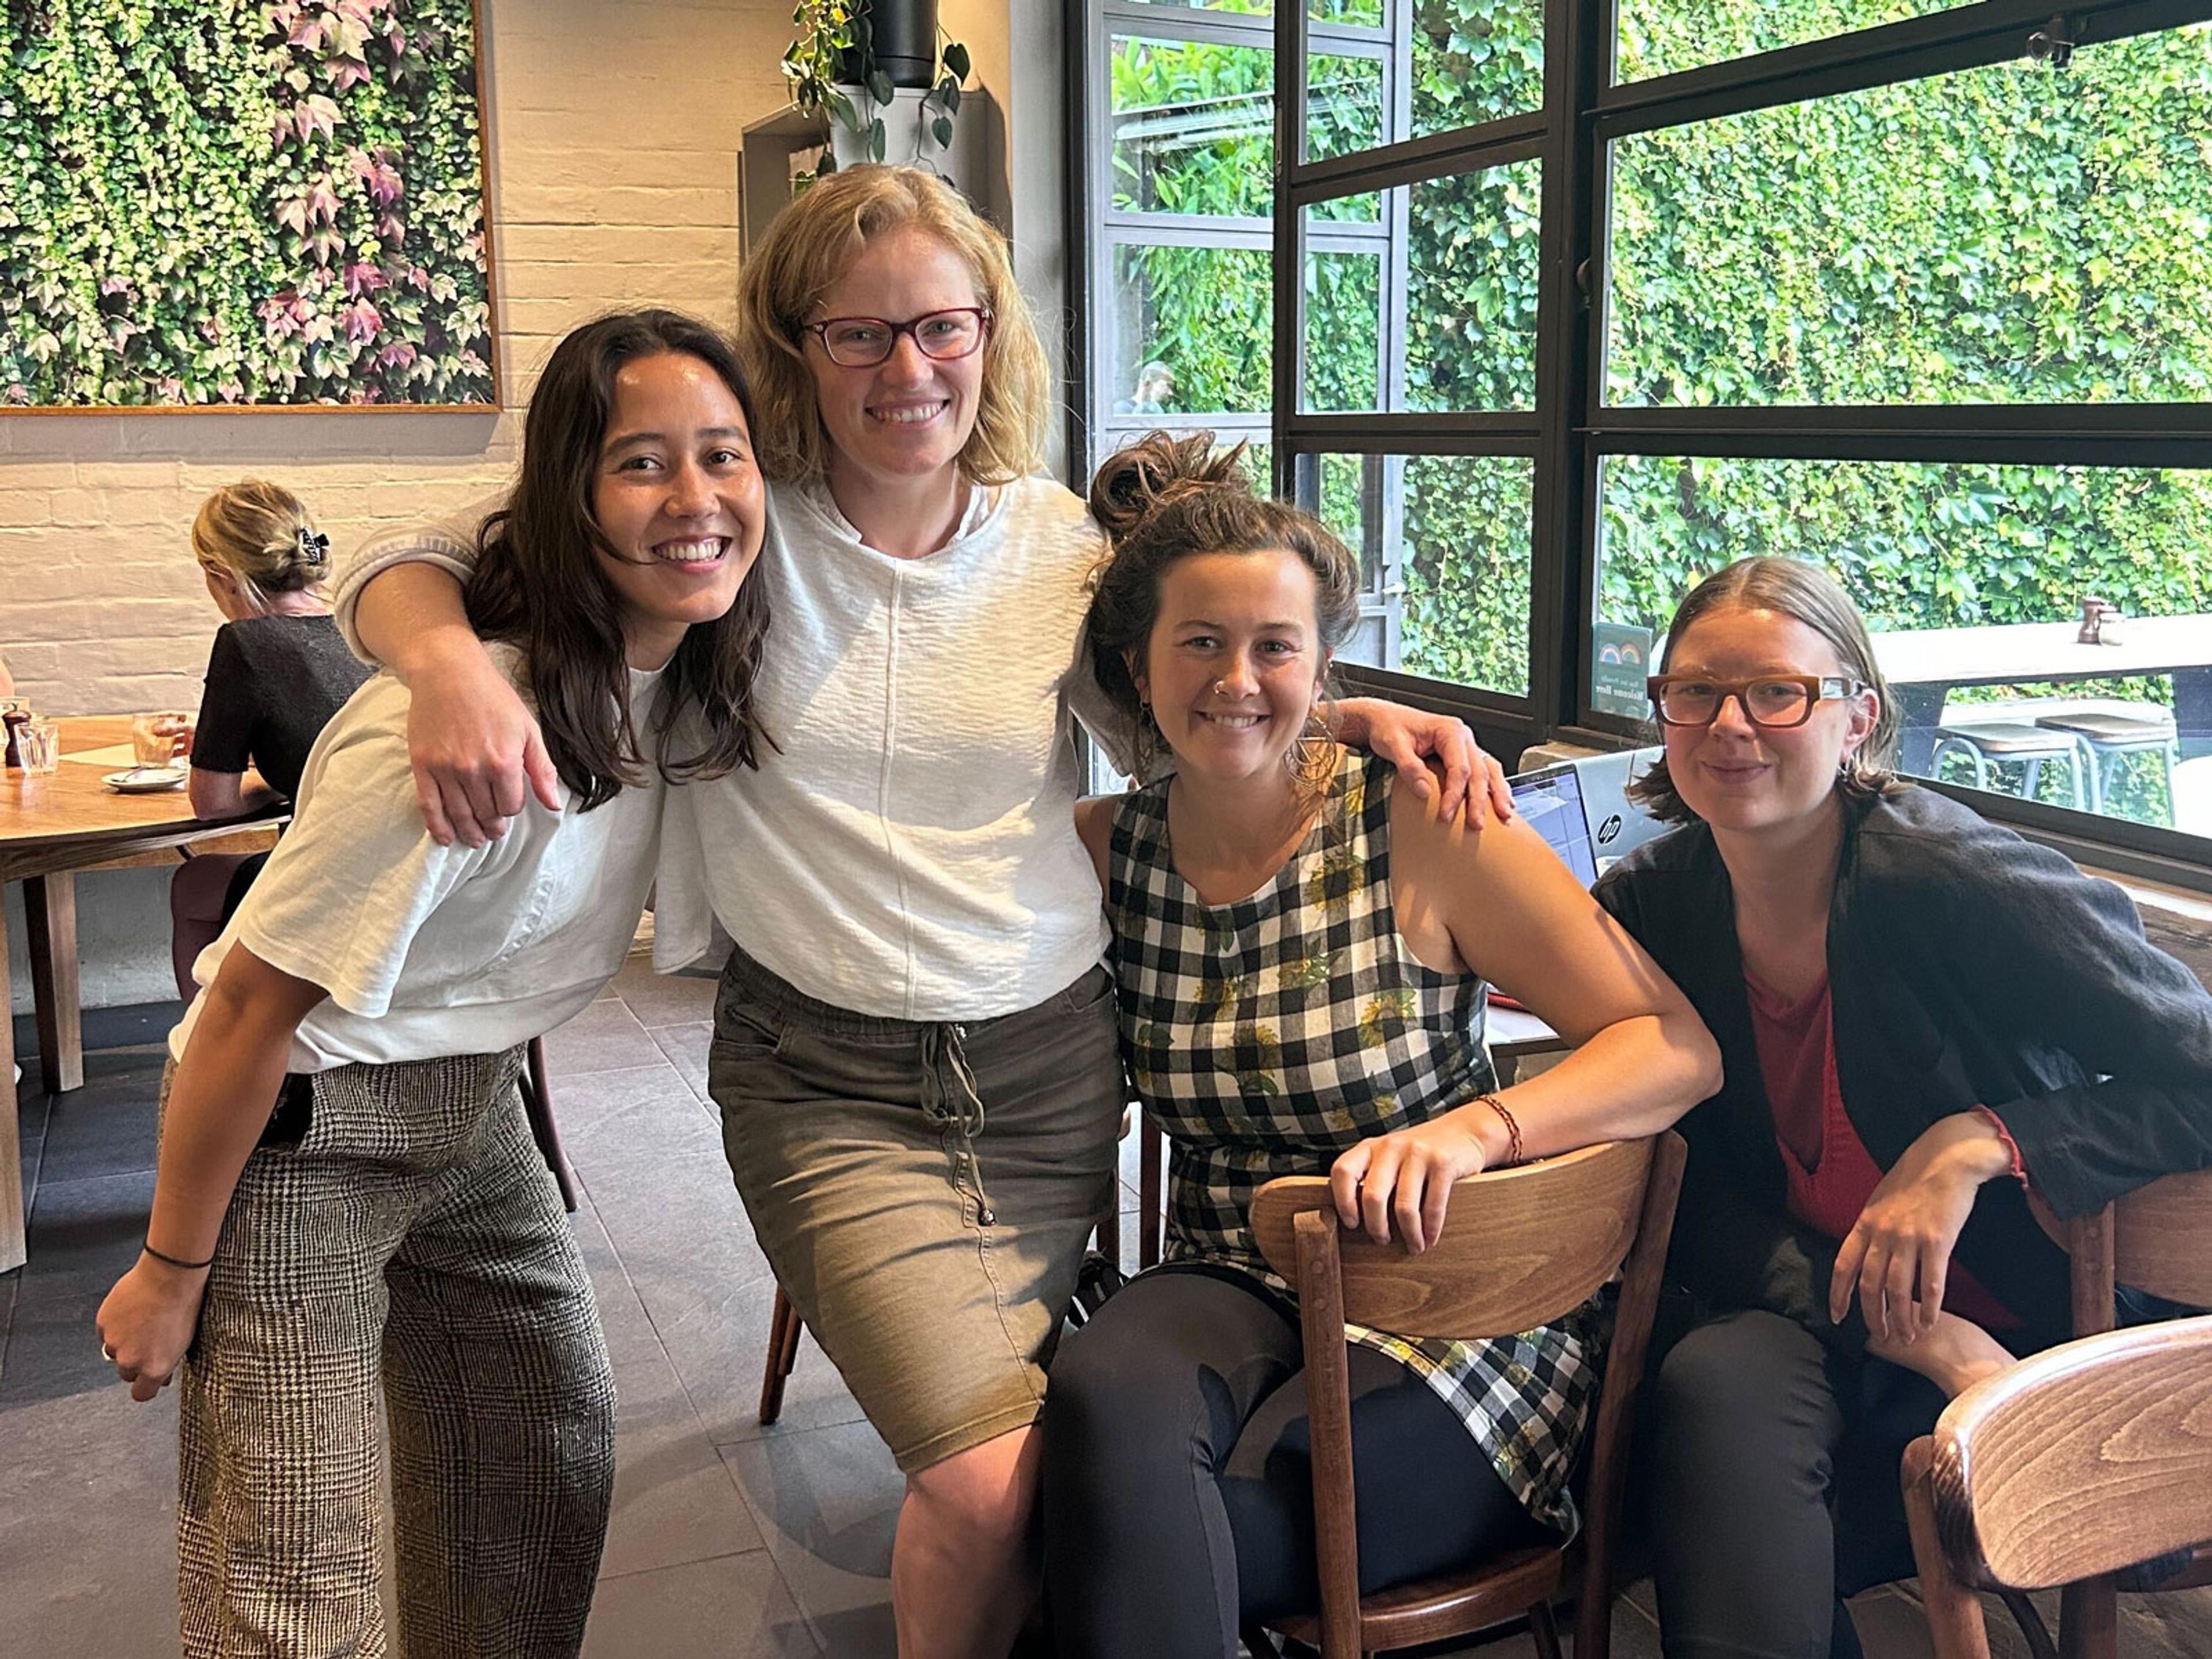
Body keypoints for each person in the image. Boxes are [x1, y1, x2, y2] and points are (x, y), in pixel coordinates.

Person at [327, 165, 1503, 1659]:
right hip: (822, 1079)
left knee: (1030, 1462)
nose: (909, 369)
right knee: (986, 1477)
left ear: (992, 335)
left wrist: (1355, 714)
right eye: (860, 335)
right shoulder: (731, 529)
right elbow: (398, 562)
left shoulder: (1061, 553)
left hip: (1045, 1069)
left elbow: (1207, 688)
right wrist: (446, 664)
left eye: (943, 328)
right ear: (792, 344)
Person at [93, 309, 772, 1659]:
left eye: (725, 455)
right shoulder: (451, 745)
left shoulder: (692, 665)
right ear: (571, 497)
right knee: (293, 1562)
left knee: (541, 1449)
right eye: (642, 464)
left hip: (473, 1113)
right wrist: (172, 1264)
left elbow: (429, 551)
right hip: (302, 1133)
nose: (696, 500)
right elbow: (241, 1008)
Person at [1038, 434, 1721, 1657]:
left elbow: (1674, 1046)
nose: (1236, 681)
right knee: (1103, 1404)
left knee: (1131, 1543)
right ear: (1135, 670)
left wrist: (1477, 1129)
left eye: (1275, 648)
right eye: (1199, 643)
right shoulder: (1107, 851)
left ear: (1322, 666)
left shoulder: (1422, 820)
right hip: (1237, 1266)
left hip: (1456, 1302)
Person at [1590, 555, 2212, 1659]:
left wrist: (1985, 1139)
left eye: (1777, 691)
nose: (1730, 725)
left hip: (2045, 1323)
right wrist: (1911, 1332)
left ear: (1857, 715)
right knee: (1710, 1395)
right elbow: (1679, 1188)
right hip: (1842, 1318)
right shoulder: (1651, 907)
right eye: (1695, 692)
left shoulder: (1952, 883)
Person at [169, 481, 373, 998]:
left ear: (220, 574)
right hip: (404, 868)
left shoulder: (245, 641)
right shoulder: (357, 627)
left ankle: (209, 1051)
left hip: (335, 884)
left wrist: (261, 777)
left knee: (192, 885)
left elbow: (213, 805)